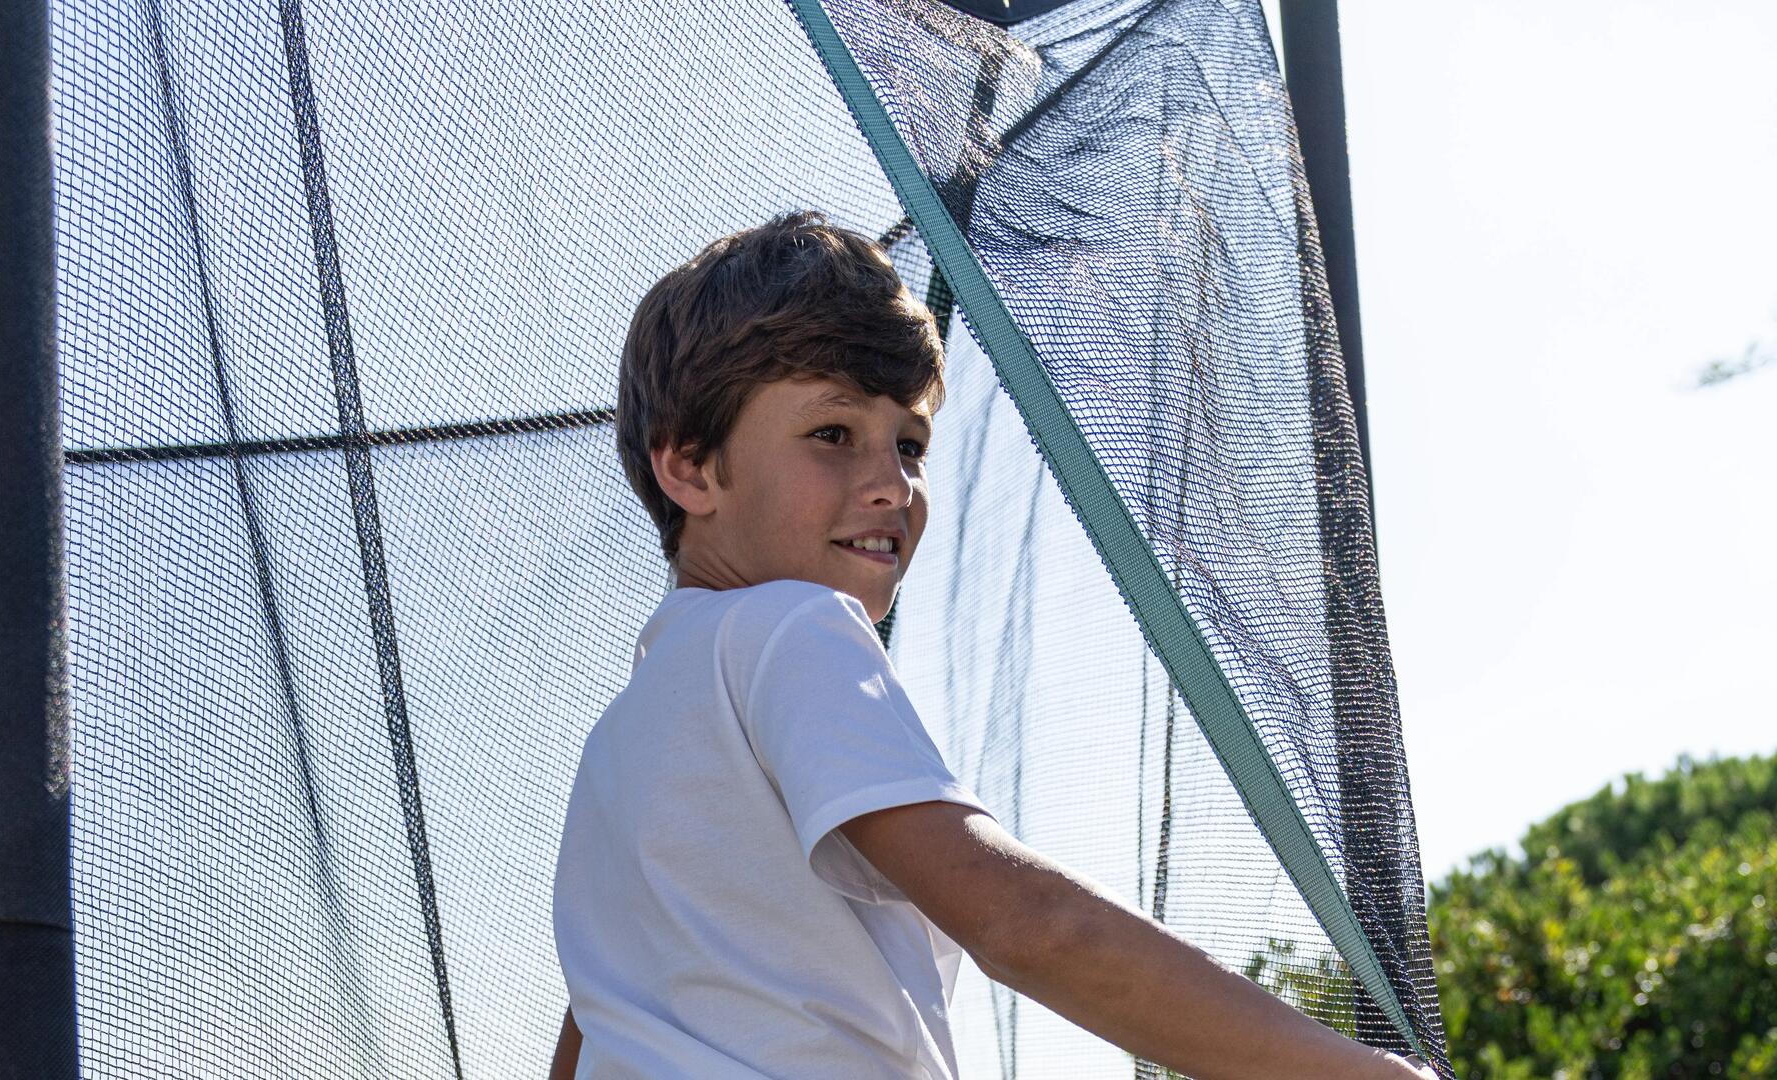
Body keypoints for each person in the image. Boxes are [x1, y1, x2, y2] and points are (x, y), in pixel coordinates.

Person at [549, 210, 1437, 1080]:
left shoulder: (620, 746)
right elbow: (1024, 923)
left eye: (910, 444)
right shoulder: (791, 629)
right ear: (690, 466)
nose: (891, 483)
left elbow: (588, 1030)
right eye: (833, 434)